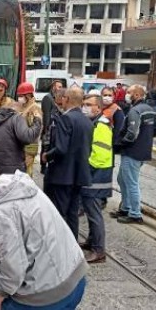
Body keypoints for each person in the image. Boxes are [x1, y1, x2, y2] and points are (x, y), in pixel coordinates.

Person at [0, 157, 87, 310]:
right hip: (75, 277)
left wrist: (2, 293)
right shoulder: (18, 185)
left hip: (50, 295)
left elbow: (13, 268)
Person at [42, 87, 93, 238]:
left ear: (67, 99)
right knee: (72, 214)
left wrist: (47, 155)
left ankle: (60, 247)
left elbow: (61, 148)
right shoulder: (87, 121)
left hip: (62, 176)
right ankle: (72, 246)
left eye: (63, 98)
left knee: (58, 214)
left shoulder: (66, 118)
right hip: (78, 175)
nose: (61, 100)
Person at [110, 84, 156, 224]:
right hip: (142, 151)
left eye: (129, 92)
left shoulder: (135, 111)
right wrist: (145, 139)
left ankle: (135, 213)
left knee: (131, 182)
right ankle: (125, 207)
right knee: (122, 179)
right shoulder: (149, 110)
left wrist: (120, 144)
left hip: (132, 152)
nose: (126, 95)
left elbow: (132, 134)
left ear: (137, 95)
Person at [80, 95, 113, 263]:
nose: (84, 107)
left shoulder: (101, 126)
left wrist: (85, 170)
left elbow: (99, 155)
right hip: (95, 176)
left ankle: (99, 251)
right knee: (92, 211)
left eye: (88, 105)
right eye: (84, 104)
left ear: (98, 108)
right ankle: (92, 241)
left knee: (94, 214)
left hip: (96, 177)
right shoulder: (96, 124)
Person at [17, 82, 43, 177]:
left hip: (29, 148)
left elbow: (34, 131)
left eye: (21, 96)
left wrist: (29, 153)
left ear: (28, 95)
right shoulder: (24, 107)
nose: (19, 98)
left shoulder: (34, 109)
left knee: (27, 174)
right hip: (21, 147)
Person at [40, 81, 64, 174]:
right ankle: (43, 167)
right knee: (45, 147)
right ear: (53, 87)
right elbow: (46, 113)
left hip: (55, 127)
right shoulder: (47, 98)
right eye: (59, 86)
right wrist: (46, 128)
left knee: (51, 147)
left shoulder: (57, 98)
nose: (60, 88)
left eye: (61, 87)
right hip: (48, 127)